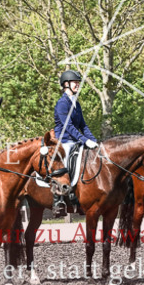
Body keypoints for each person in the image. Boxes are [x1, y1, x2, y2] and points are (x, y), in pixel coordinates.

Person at [53, 69, 98, 213]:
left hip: (76, 140)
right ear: (66, 84)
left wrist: (93, 141)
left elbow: (83, 126)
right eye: (75, 82)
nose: (77, 85)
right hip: (64, 140)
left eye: (78, 83)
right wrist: (84, 140)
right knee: (66, 160)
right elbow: (69, 127)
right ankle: (59, 197)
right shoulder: (62, 103)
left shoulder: (76, 103)